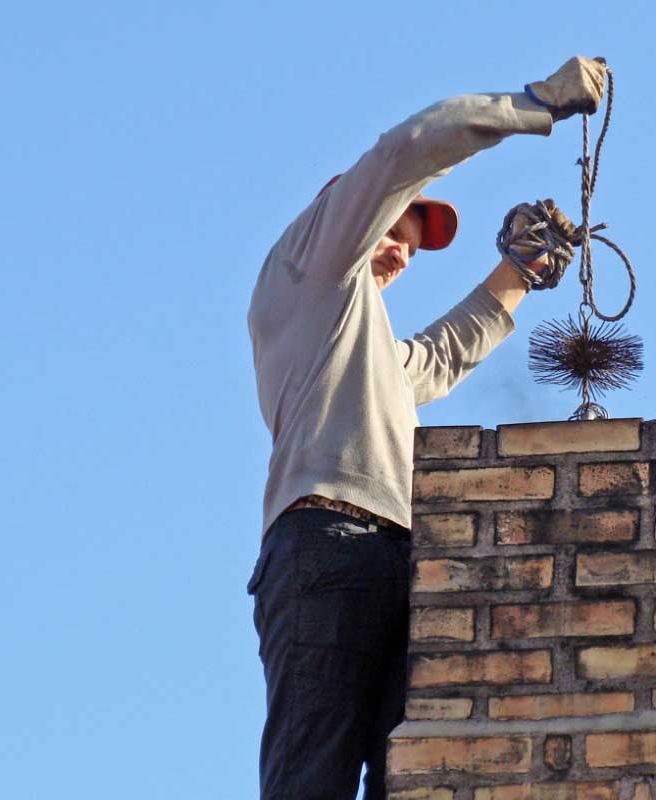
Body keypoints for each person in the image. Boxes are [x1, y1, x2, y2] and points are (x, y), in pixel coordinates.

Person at [245, 56, 608, 799]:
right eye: (398, 227)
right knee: (311, 772)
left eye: (417, 243)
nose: (406, 250)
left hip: (393, 555)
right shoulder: (309, 268)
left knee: (404, 777)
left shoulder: (360, 342)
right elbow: (406, 152)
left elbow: (436, 360)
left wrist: (518, 274)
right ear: (344, 215)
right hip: (325, 547)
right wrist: (535, 103)